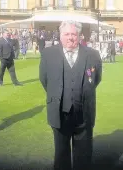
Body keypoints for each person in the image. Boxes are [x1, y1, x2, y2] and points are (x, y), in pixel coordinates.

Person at [40, 20, 102, 170]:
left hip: (84, 112)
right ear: (60, 36)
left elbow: (96, 79)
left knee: (84, 154)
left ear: (79, 36)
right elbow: (44, 79)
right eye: (66, 34)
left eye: (73, 34)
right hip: (59, 112)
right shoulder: (48, 54)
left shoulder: (92, 54)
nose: (70, 37)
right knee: (61, 154)